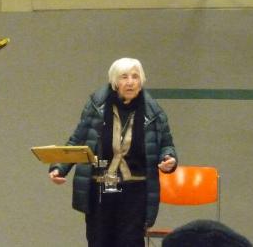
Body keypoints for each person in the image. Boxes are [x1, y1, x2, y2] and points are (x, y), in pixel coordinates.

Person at [48, 57, 178, 247]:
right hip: (102, 183)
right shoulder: (96, 106)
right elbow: (78, 139)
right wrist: (59, 167)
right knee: (99, 240)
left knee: (130, 242)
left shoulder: (154, 112)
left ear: (141, 81)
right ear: (115, 82)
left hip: (135, 188)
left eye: (135, 77)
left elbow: (167, 145)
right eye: (124, 77)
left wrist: (169, 159)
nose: (130, 82)